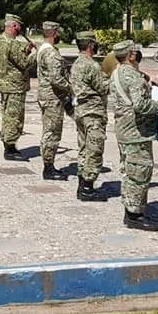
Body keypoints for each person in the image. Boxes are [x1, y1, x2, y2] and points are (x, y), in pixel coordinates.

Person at [111, 41, 158, 231]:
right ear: (130, 55)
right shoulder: (134, 78)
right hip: (136, 132)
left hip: (124, 130)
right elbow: (141, 106)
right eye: (136, 52)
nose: (139, 54)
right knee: (139, 173)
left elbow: (131, 85)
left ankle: (133, 210)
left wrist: (148, 80)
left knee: (130, 172)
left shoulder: (118, 71)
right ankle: (133, 216)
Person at [69, 32, 110, 201]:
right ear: (91, 45)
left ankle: (82, 183)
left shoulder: (76, 63)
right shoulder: (91, 65)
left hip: (81, 111)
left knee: (84, 148)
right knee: (94, 149)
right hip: (93, 112)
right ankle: (87, 187)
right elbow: (103, 88)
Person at [0, 13, 36, 161]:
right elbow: (24, 63)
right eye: (19, 26)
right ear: (14, 26)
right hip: (15, 85)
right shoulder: (12, 43)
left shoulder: (1, 40)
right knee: (14, 117)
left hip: (5, 84)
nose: (20, 29)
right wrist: (37, 53)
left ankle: (8, 143)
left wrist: (26, 50)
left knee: (7, 115)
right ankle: (10, 148)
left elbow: (13, 58)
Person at [36, 21, 72, 180]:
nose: (59, 36)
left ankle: (48, 164)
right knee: (52, 133)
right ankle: (48, 167)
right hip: (52, 98)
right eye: (58, 33)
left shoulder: (42, 48)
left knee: (49, 131)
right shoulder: (50, 52)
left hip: (47, 96)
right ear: (53, 33)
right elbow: (56, 79)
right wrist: (72, 88)